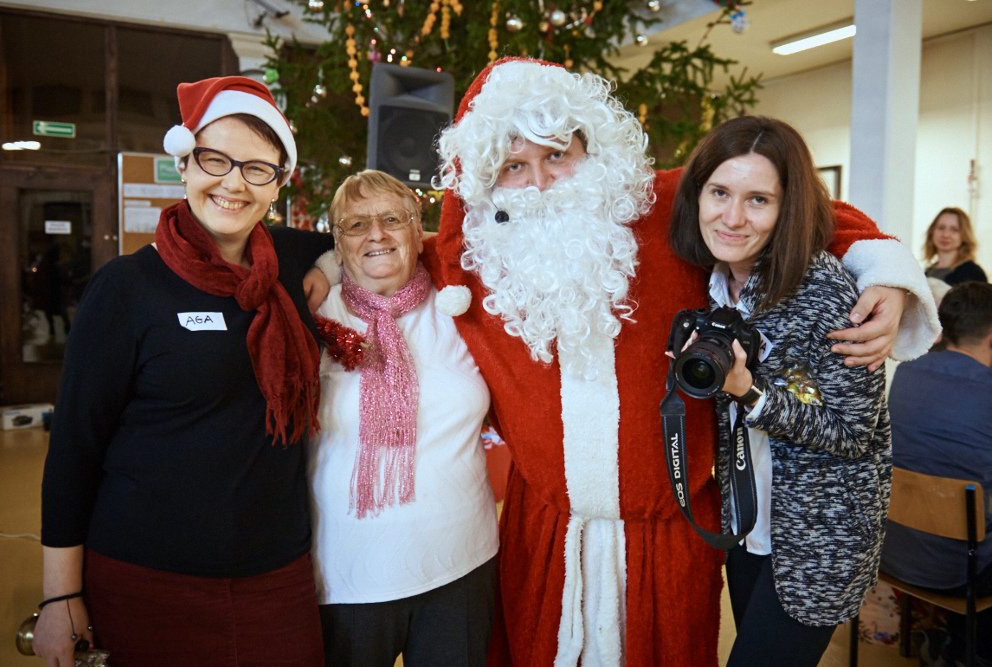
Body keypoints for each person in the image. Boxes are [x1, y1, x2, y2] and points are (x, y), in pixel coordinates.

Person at [424, 57, 939, 666]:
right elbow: (377, 252)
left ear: (589, 149)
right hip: (545, 533)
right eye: (514, 166)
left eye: (557, 155)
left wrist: (886, 272)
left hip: (677, 528)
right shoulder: (475, 254)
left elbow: (813, 215)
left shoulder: (664, 204)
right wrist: (331, 265)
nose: (539, 182)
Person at [36, 76, 332, 667]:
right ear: (185, 163)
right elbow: (73, 449)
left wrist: (331, 264)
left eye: (257, 169)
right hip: (146, 579)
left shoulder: (289, 263)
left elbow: (382, 239)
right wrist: (59, 597)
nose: (233, 183)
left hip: (277, 577)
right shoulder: (126, 288)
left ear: (278, 183)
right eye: (215, 159)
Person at [668, 115, 892, 666]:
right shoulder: (713, 282)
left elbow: (853, 432)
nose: (732, 218)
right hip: (748, 522)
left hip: (819, 538)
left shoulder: (825, 292)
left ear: (787, 207)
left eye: (758, 200)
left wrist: (750, 393)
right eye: (719, 192)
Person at [308, 169, 498, 666]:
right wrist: (322, 268)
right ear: (337, 244)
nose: (376, 234)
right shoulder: (312, 313)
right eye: (356, 225)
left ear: (418, 233)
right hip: (346, 576)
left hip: (462, 564)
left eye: (393, 219)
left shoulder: (462, 308)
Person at [881, 281, 992, 667]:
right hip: (960, 572)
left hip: (893, 553)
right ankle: (969, 651)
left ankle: (952, 641)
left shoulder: (908, 372)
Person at [923, 207, 988, 286]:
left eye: (954, 230)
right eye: (941, 228)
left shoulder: (974, 274)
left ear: (964, 235)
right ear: (932, 231)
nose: (946, 235)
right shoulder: (926, 273)